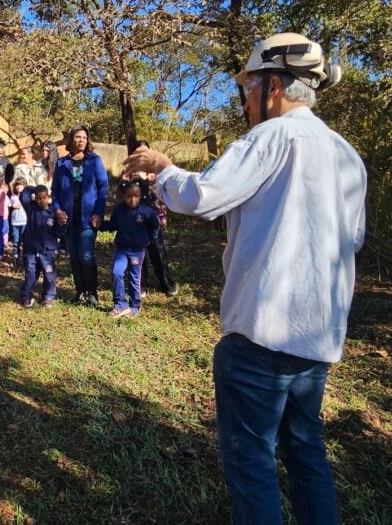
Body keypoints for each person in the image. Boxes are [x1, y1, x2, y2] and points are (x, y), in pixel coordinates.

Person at [123, 32, 365, 525]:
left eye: (248, 89)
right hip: (316, 341)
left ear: (274, 86)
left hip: (261, 336)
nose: (246, 102)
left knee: (252, 461)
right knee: (305, 452)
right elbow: (351, 240)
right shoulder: (346, 155)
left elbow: (202, 197)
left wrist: (163, 167)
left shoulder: (271, 137)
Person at [51, 124, 108, 307]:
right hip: (68, 218)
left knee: (86, 256)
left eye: (84, 137)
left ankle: (92, 293)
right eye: (77, 137)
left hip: (88, 217)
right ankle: (79, 291)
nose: (81, 140)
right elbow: (55, 192)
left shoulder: (95, 161)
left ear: (87, 140)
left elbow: (103, 189)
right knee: (74, 256)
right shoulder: (61, 163)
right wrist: (58, 210)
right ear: (71, 140)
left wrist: (99, 213)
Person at [101, 180, 160, 318]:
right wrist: (99, 225)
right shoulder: (119, 210)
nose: (132, 199)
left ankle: (134, 306)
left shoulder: (146, 211)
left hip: (137, 251)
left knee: (134, 278)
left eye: (136, 196)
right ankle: (119, 304)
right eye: (129, 196)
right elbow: (112, 225)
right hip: (121, 249)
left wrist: (150, 239)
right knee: (116, 272)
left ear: (140, 196)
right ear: (124, 196)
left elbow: (155, 225)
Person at [131, 141, 178, 296]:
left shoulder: (157, 173)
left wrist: (163, 217)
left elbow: (162, 196)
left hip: (154, 218)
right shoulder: (130, 172)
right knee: (139, 254)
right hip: (136, 220)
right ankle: (141, 285)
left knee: (158, 253)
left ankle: (167, 284)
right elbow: (124, 194)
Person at [19, 184, 64, 309]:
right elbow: (24, 195)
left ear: (48, 197)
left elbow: (59, 231)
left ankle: (48, 296)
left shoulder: (53, 213)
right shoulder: (31, 209)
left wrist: (62, 224)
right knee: (30, 273)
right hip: (31, 250)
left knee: (49, 274)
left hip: (47, 251)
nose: (41, 200)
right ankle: (26, 296)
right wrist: (35, 188)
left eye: (44, 197)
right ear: (35, 198)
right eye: (38, 198)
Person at [8, 177, 28, 264]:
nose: (18, 187)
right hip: (15, 222)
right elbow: (10, 204)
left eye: (21, 185)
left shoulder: (27, 196)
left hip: (24, 222)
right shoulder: (13, 196)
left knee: (24, 241)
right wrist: (13, 205)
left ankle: (25, 258)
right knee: (16, 241)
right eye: (17, 185)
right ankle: (16, 257)